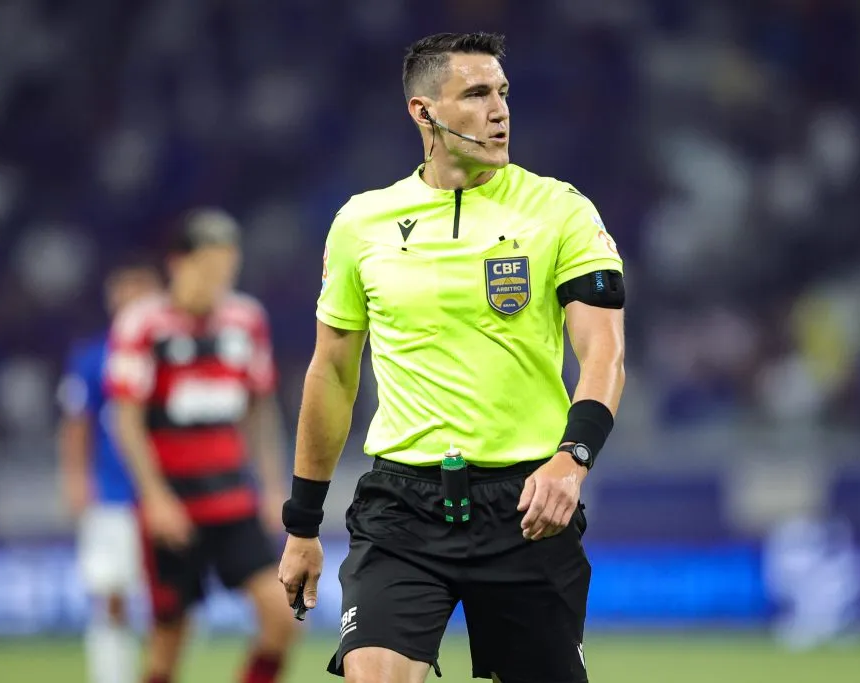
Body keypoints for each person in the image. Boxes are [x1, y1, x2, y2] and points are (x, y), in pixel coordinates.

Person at [278, 32, 626, 683]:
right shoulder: (362, 224)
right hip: (402, 506)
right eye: (475, 94)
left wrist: (571, 457)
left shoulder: (561, 211)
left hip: (526, 504)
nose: (499, 110)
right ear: (424, 112)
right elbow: (330, 373)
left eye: (503, 93)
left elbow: (603, 351)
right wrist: (302, 522)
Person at [105, 209, 297, 683]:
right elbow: (126, 420)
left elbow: (260, 410)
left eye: (227, 267)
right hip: (175, 504)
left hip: (233, 497)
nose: (219, 277)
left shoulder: (245, 319)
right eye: (209, 266)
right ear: (179, 263)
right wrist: (154, 497)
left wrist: (273, 487)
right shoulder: (143, 325)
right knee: (169, 642)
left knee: (280, 616)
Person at [58, 258, 163, 683]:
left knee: (169, 599)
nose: (132, 302)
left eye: (141, 293)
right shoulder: (92, 355)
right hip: (113, 493)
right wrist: (75, 478)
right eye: (124, 293)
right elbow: (77, 424)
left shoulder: (172, 350)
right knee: (112, 595)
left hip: (169, 494)